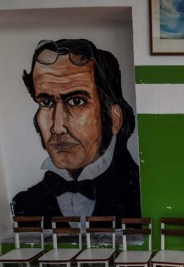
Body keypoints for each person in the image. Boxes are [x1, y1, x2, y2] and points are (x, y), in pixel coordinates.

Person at [11, 39, 141, 228]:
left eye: (76, 102)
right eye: (46, 103)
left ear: (114, 118)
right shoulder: (25, 204)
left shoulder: (141, 195)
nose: (57, 127)